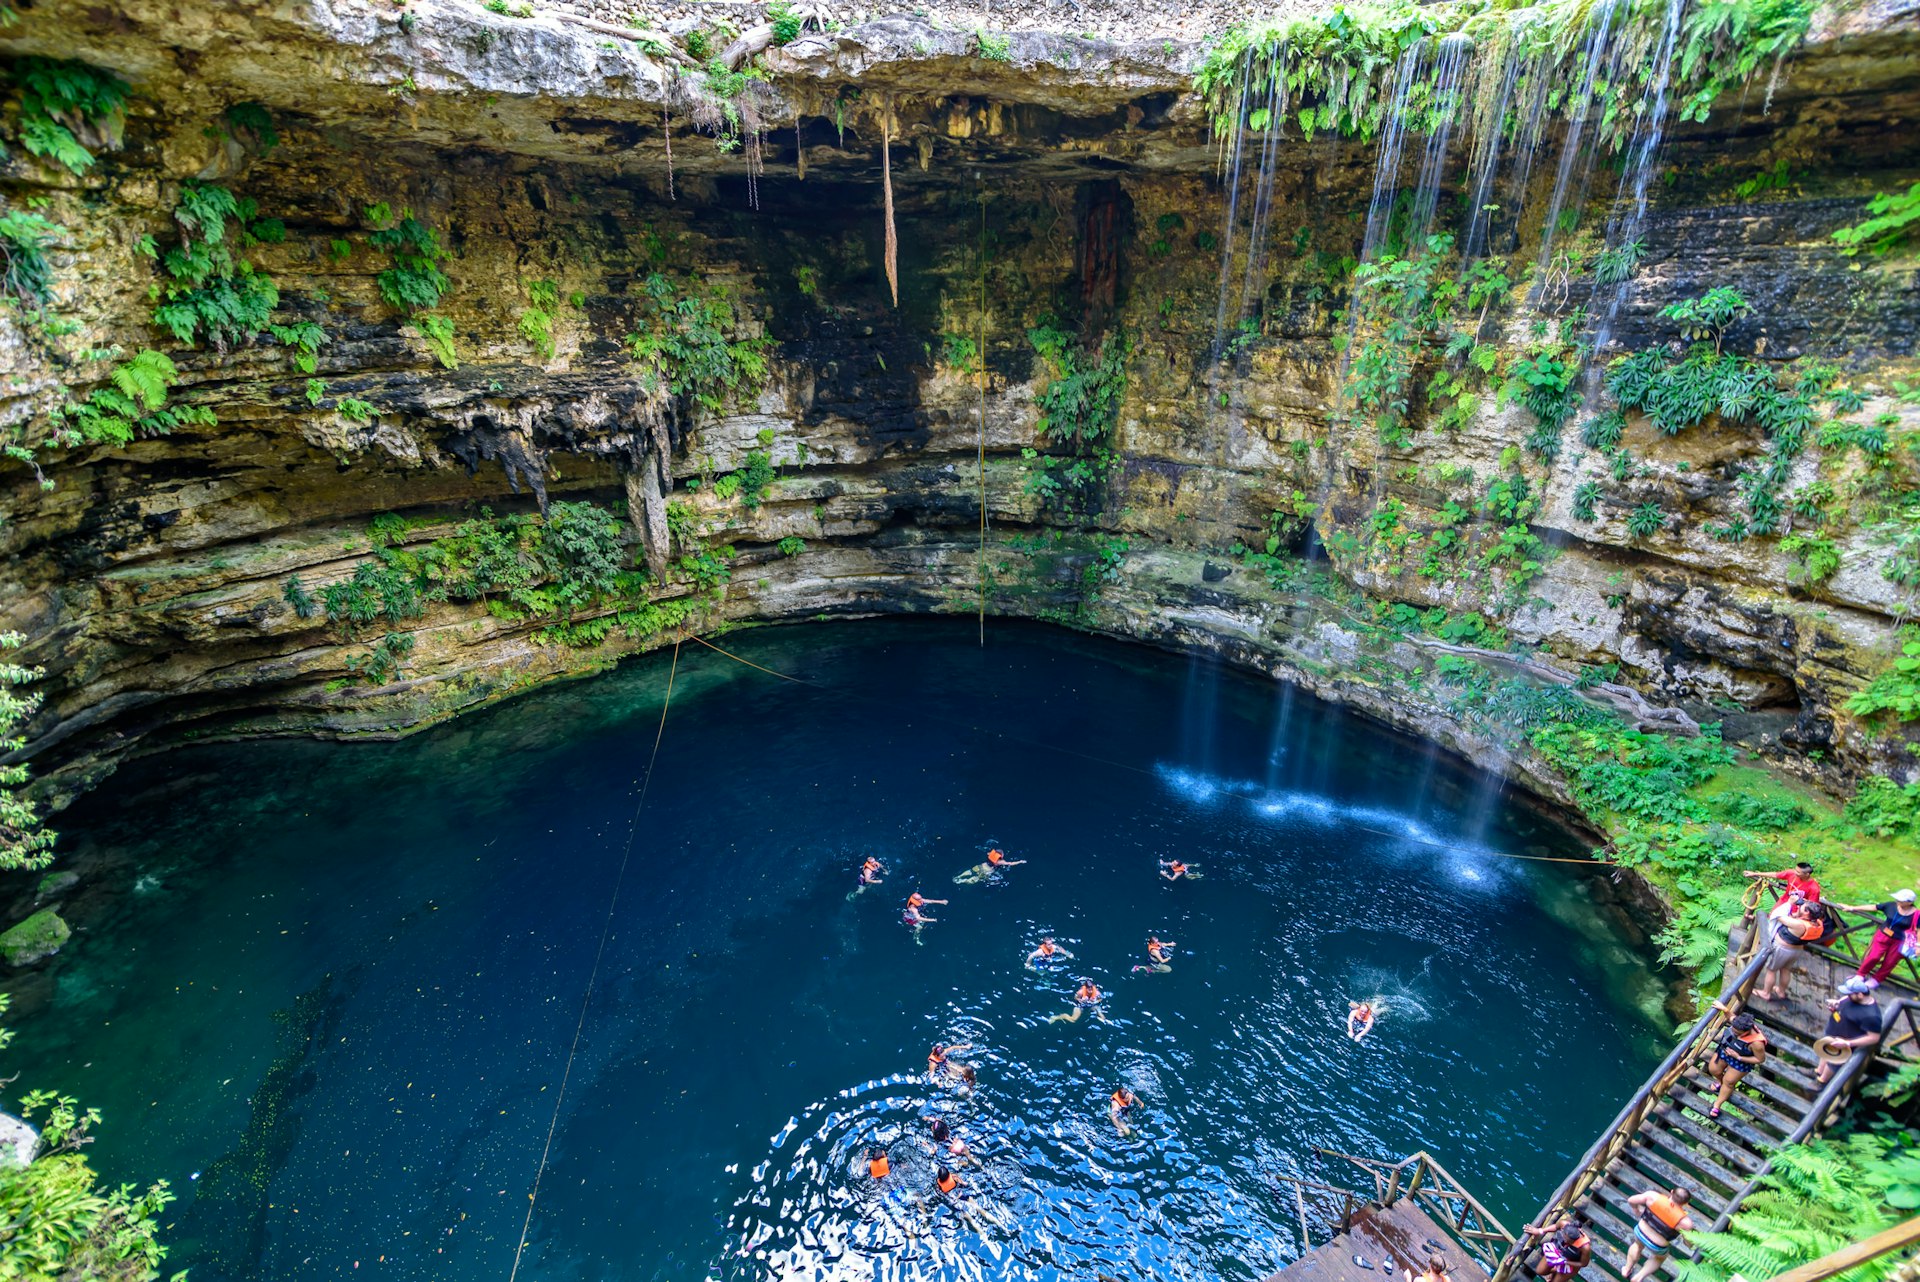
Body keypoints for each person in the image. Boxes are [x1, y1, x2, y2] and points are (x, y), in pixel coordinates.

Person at [1829, 888, 1917, 984]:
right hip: (1883, 935)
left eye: (1901, 900)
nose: (1898, 901)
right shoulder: (1891, 905)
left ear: (1909, 902)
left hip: (1900, 941)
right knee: (1874, 956)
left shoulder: (1917, 914)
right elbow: (1874, 907)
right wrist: (1853, 908)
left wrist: (1918, 945)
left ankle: (1876, 980)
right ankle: (1860, 974)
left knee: (1890, 962)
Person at [1752, 895, 1823, 1001]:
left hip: (1782, 950)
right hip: (1797, 950)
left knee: (1771, 970)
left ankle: (1766, 993)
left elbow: (1778, 916)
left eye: (1803, 907)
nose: (1799, 907)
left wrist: (1790, 903)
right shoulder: (1816, 923)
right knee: (1785, 970)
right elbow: (1794, 917)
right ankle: (1781, 991)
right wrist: (1798, 911)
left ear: (1807, 912)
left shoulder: (1799, 925)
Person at [1815, 977, 1883, 1085]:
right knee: (1825, 1052)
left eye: (1850, 993)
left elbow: (1874, 1038)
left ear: (1860, 995)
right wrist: (1836, 1003)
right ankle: (1818, 1072)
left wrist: (1848, 1043)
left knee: (1833, 1063)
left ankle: (1822, 1082)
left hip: (1844, 1043)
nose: (1848, 995)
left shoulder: (1871, 1016)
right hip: (1833, 1034)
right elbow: (1843, 1001)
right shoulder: (1853, 998)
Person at [1621, 1186, 1693, 1282]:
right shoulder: (1685, 1223)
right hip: (1657, 1246)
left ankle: (1626, 1269)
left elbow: (1631, 1200)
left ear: (1671, 1192)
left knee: (1637, 1245)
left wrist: (1636, 1210)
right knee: (1660, 1258)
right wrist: (1690, 1245)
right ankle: (1639, 1277)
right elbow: (1688, 1242)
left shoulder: (1652, 1196)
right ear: (1685, 1204)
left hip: (1640, 1232)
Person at [1705, 1011, 1767, 1120]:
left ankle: (1717, 1105)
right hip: (1727, 1049)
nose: (1734, 1033)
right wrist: (1721, 1007)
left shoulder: (1757, 1044)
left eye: (1737, 1033)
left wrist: (1738, 1057)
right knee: (1713, 1069)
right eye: (1733, 1030)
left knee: (1729, 1081)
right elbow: (1729, 1014)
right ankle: (1720, 1081)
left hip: (1741, 1059)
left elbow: (1760, 1059)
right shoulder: (1737, 1023)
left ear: (1746, 1032)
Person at [1520, 1214, 1592, 1280]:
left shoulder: (1585, 1247)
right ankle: (1555, 1270)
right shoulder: (1563, 1224)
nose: (1565, 1241)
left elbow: (1583, 1264)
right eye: (1564, 1238)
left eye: (1569, 1241)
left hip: (1570, 1263)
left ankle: (1559, 1273)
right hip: (1556, 1253)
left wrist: (1565, 1262)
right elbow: (1555, 1227)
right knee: (1540, 1271)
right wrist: (1539, 1231)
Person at [1745, 860, 1821, 906]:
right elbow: (1775, 875)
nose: (1795, 872)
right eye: (1795, 870)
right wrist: (1755, 874)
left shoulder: (1814, 888)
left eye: (1798, 872)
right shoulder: (1791, 873)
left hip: (1797, 909)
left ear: (1807, 874)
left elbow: (1812, 905)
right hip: (1783, 901)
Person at [956, 847, 1026, 884]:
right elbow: (1010, 863)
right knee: (976, 878)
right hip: (986, 871)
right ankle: (962, 881)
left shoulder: (990, 854)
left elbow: (987, 853)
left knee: (970, 871)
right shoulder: (1001, 861)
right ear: (1001, 855)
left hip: (980, 866)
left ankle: (959, 876)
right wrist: (1020, 861)